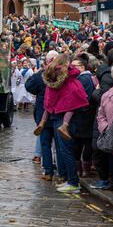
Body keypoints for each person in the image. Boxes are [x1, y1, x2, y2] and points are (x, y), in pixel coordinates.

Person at [34, 55, 89, 140]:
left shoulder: (50, 70)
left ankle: (42, 122)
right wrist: (71, 67)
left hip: (51, 94)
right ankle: (64, 125)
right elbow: (76, 72)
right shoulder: (65, 71)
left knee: (47, 108)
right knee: (71, 108)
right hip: (64, 97)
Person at [26, 50, 61, 181]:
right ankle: (60, 172)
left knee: (46, 144)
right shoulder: (63, 75)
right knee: (57, 144)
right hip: (57, 114)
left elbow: (29, 85)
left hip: (45, 115)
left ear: (47, 61)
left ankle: (48, 171)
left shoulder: (42, 75)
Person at [70, 53, 97, 177]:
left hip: (82, 116)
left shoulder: (82, 79)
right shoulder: (92, 77)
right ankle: (85, 169)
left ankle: (80, 170)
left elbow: (78, 98)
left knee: (78, 144)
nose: (71, 68)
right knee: (87, 144)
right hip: (90, 115)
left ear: (82, 67)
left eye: (74, 66)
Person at [94, 80, 113, 190]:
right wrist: (105, 127)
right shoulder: (107, 95)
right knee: (110, 158)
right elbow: (100, 114)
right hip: (110, 133)